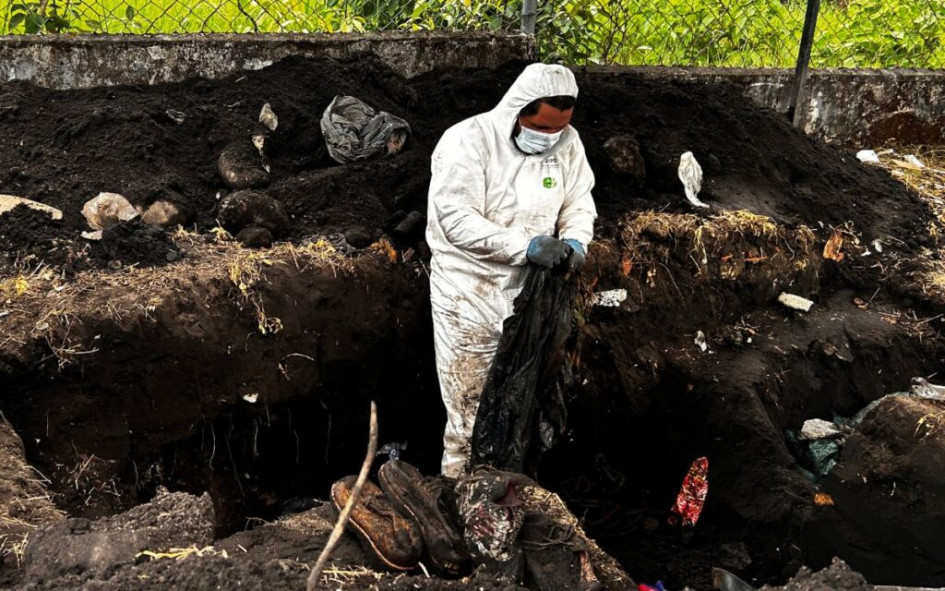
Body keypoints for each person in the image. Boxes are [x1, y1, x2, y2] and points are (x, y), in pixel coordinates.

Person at [426, 63, 597, 477]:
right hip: (469, 289)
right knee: (471, 405)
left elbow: (579, 201)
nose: (549, 138)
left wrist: (576, 241)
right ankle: (460, 493)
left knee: (523, 404)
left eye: (557, 129)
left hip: (530, 293)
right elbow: (457, 219)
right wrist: (525, 246)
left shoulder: (568, 145)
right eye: (540, 127)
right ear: (516, 110)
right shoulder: (468, 141)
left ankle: (511, 491)